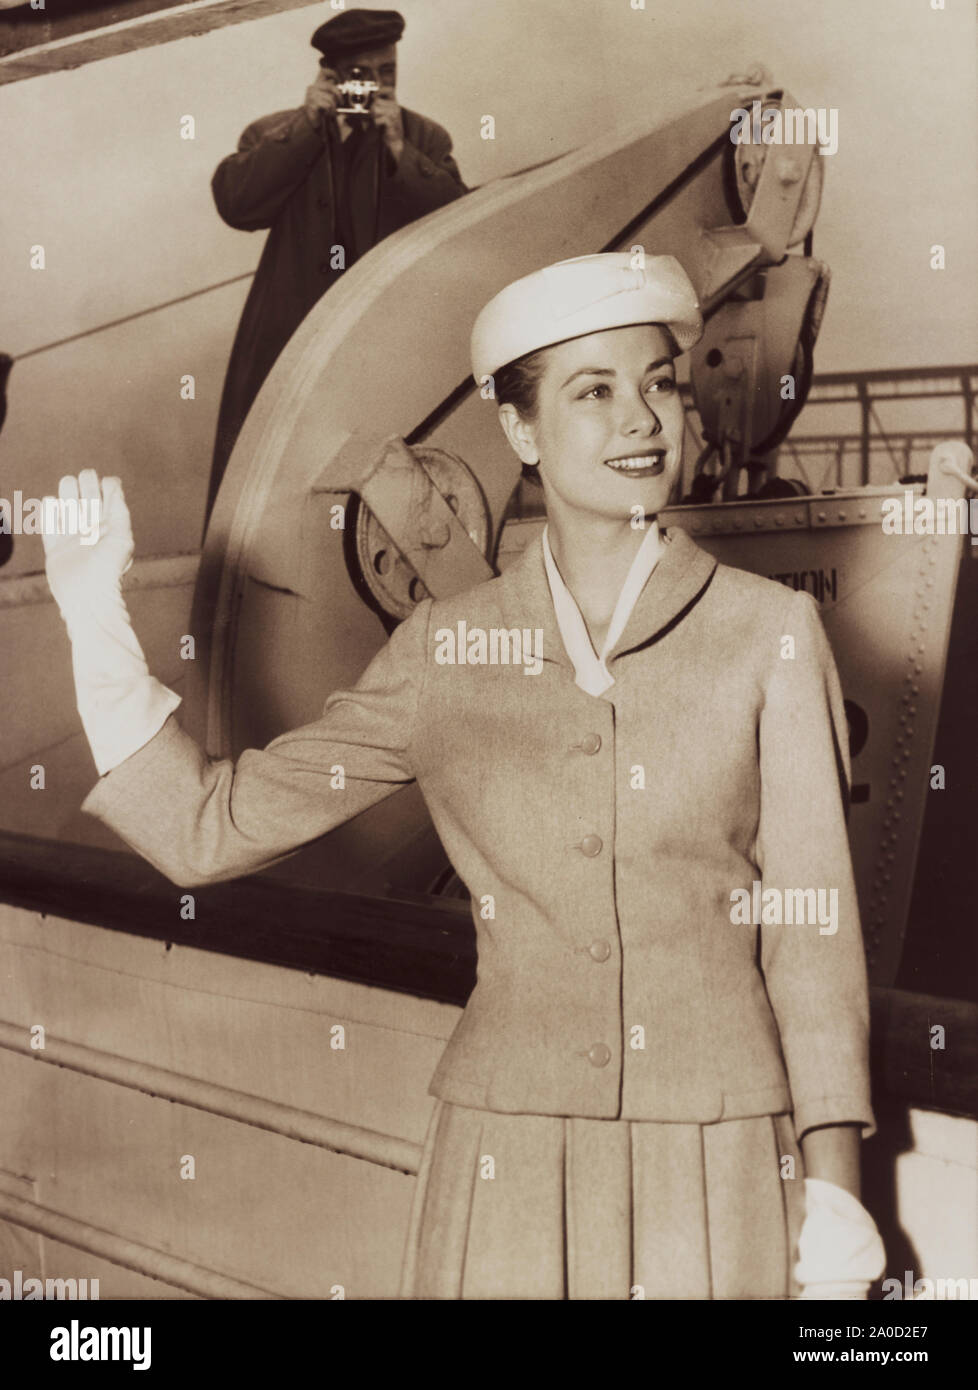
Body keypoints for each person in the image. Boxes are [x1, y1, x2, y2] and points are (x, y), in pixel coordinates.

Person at [42, 253, 886, 1300]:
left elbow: (813, 939)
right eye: (594, 391)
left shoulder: (772, 633)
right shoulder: (445, 652)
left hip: (713, 1156)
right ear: (521, 432)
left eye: (657, 381)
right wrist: (92, 622)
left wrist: (839, 1192)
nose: (643, 419)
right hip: (508, 1158)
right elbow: (208, 828)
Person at [205, 6, 466, 524]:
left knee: (383, 490)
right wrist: (306, 125)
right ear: (331, 74)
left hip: (384, 345)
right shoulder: (277, 131)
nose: (375, 87)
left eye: (387, 72)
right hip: (290, 347)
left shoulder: (425, 138)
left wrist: (399, 151)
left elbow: (456, 225)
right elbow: (237, 204)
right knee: (277, 493)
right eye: (360, 76)